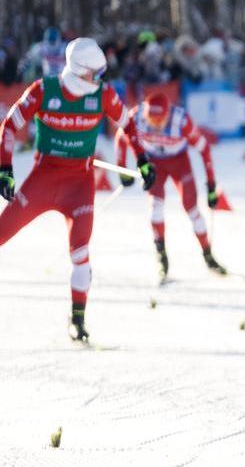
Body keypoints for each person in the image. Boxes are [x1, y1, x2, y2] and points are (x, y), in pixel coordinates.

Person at [0, 37, 156, 341]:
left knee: (81, 253)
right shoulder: (44, 90)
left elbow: (129, 125)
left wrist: (144, 160)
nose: (100, 81)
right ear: (77, 70)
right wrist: (5, 168)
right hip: (43, 179)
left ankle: (77, 321)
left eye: (102, 74)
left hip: (79, 185)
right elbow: (8, 126)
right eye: (94, 75)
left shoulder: (104, 94)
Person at [115, 92, 226, 281]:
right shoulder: (137, 116)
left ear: (168, 115)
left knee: (191, 209)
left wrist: (211, 185)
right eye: (152, 121)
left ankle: (208, 255)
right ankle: (162, 258)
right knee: (155, 208)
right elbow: (121, 137)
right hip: (153, 163)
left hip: (179, 162)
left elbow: (204, 148)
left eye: (160, 121)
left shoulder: (181, 122)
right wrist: (121, 169)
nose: (156, 126)